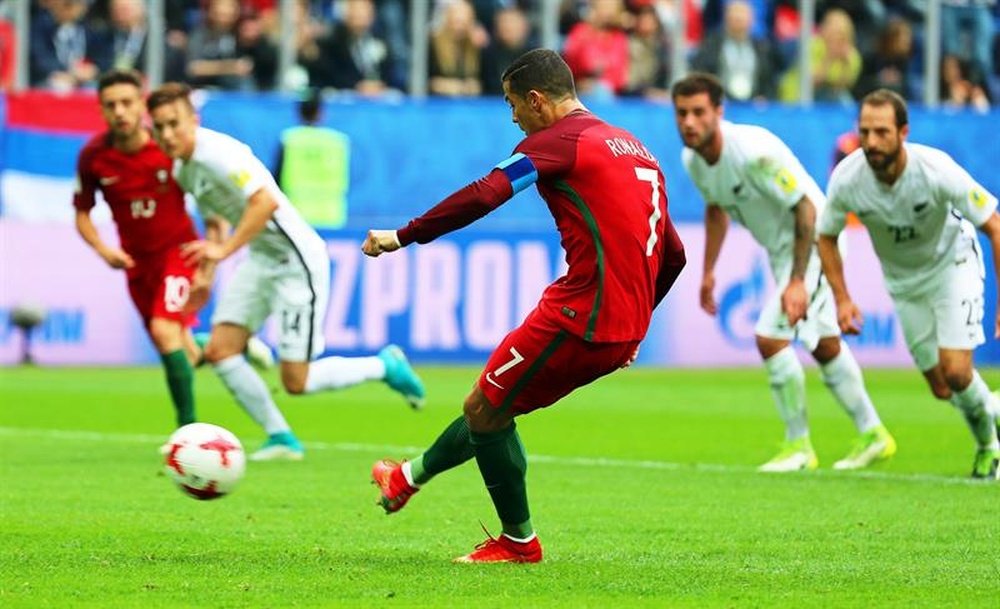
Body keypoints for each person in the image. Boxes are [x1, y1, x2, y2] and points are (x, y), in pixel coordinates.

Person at [363, 49, 686, 563]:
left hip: (579, 312)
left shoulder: (558, 141)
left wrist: (404, 236)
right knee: (493, 404)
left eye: (513, 104)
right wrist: (637, 324)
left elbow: (484, 193)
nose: (513, 117)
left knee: (484, 411)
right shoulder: (635, 148)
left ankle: (518, 541)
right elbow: (673, 253)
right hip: (619, 324)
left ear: (536, 100)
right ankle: (406, 478)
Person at [146, 81, 426, 462]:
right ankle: (281, 437)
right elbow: (215, 222)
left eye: (173, 123)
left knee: (296, 380)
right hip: (261, 258)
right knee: (220, 351)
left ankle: (384, 365)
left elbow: (263, 203)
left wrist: (224, 251)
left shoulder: (219, 154)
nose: (166, 134)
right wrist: (208, 269)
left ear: (192, 120)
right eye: (158, 126)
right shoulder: (183, 169)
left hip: (297, 261)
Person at [672, 73, 894, 473]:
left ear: (719, 113)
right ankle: (873, 433)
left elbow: (806, 209)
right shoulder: (693, 160)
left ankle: (799, 446)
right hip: (783, 251)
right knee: (824, 345)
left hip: (816, 242)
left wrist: (796, 281)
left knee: (769, 338)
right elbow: (716, 209)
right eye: (682, 113)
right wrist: (707, 271)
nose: (690, 122)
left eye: (699, 112)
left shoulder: (753, 153)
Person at [818, 89, 1000, 480]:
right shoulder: (848, 178)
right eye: (865, 132)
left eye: (881, 132)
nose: (871, 142)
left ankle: (989, 447)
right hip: (904, 283)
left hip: (954, 264)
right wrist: (843, 299)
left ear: (903, 132)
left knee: (956, 371)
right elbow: (826, 235)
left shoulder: (935, 170)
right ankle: (993, 408)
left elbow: (995, 225)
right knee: (941, 387)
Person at [74, 68, 252, 428]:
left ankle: (188, 432)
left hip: (179, 254)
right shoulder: (93, 156)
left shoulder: (169, 148)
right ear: (101, 110)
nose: (120, 111)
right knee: (180, 350)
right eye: (111, 105)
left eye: (127, 102)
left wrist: (208, 267)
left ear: (142, 104)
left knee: (163, 330)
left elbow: (213, 211)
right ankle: (233, 345)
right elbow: (82, 213)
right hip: (136, 267)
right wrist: (102, 249)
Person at [274, 89, 350, 229]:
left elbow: (276, 178)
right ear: (321, 112)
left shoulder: (289, 139)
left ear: (299, 112)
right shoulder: (338, 141)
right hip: (332, 214)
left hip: (296, 214)